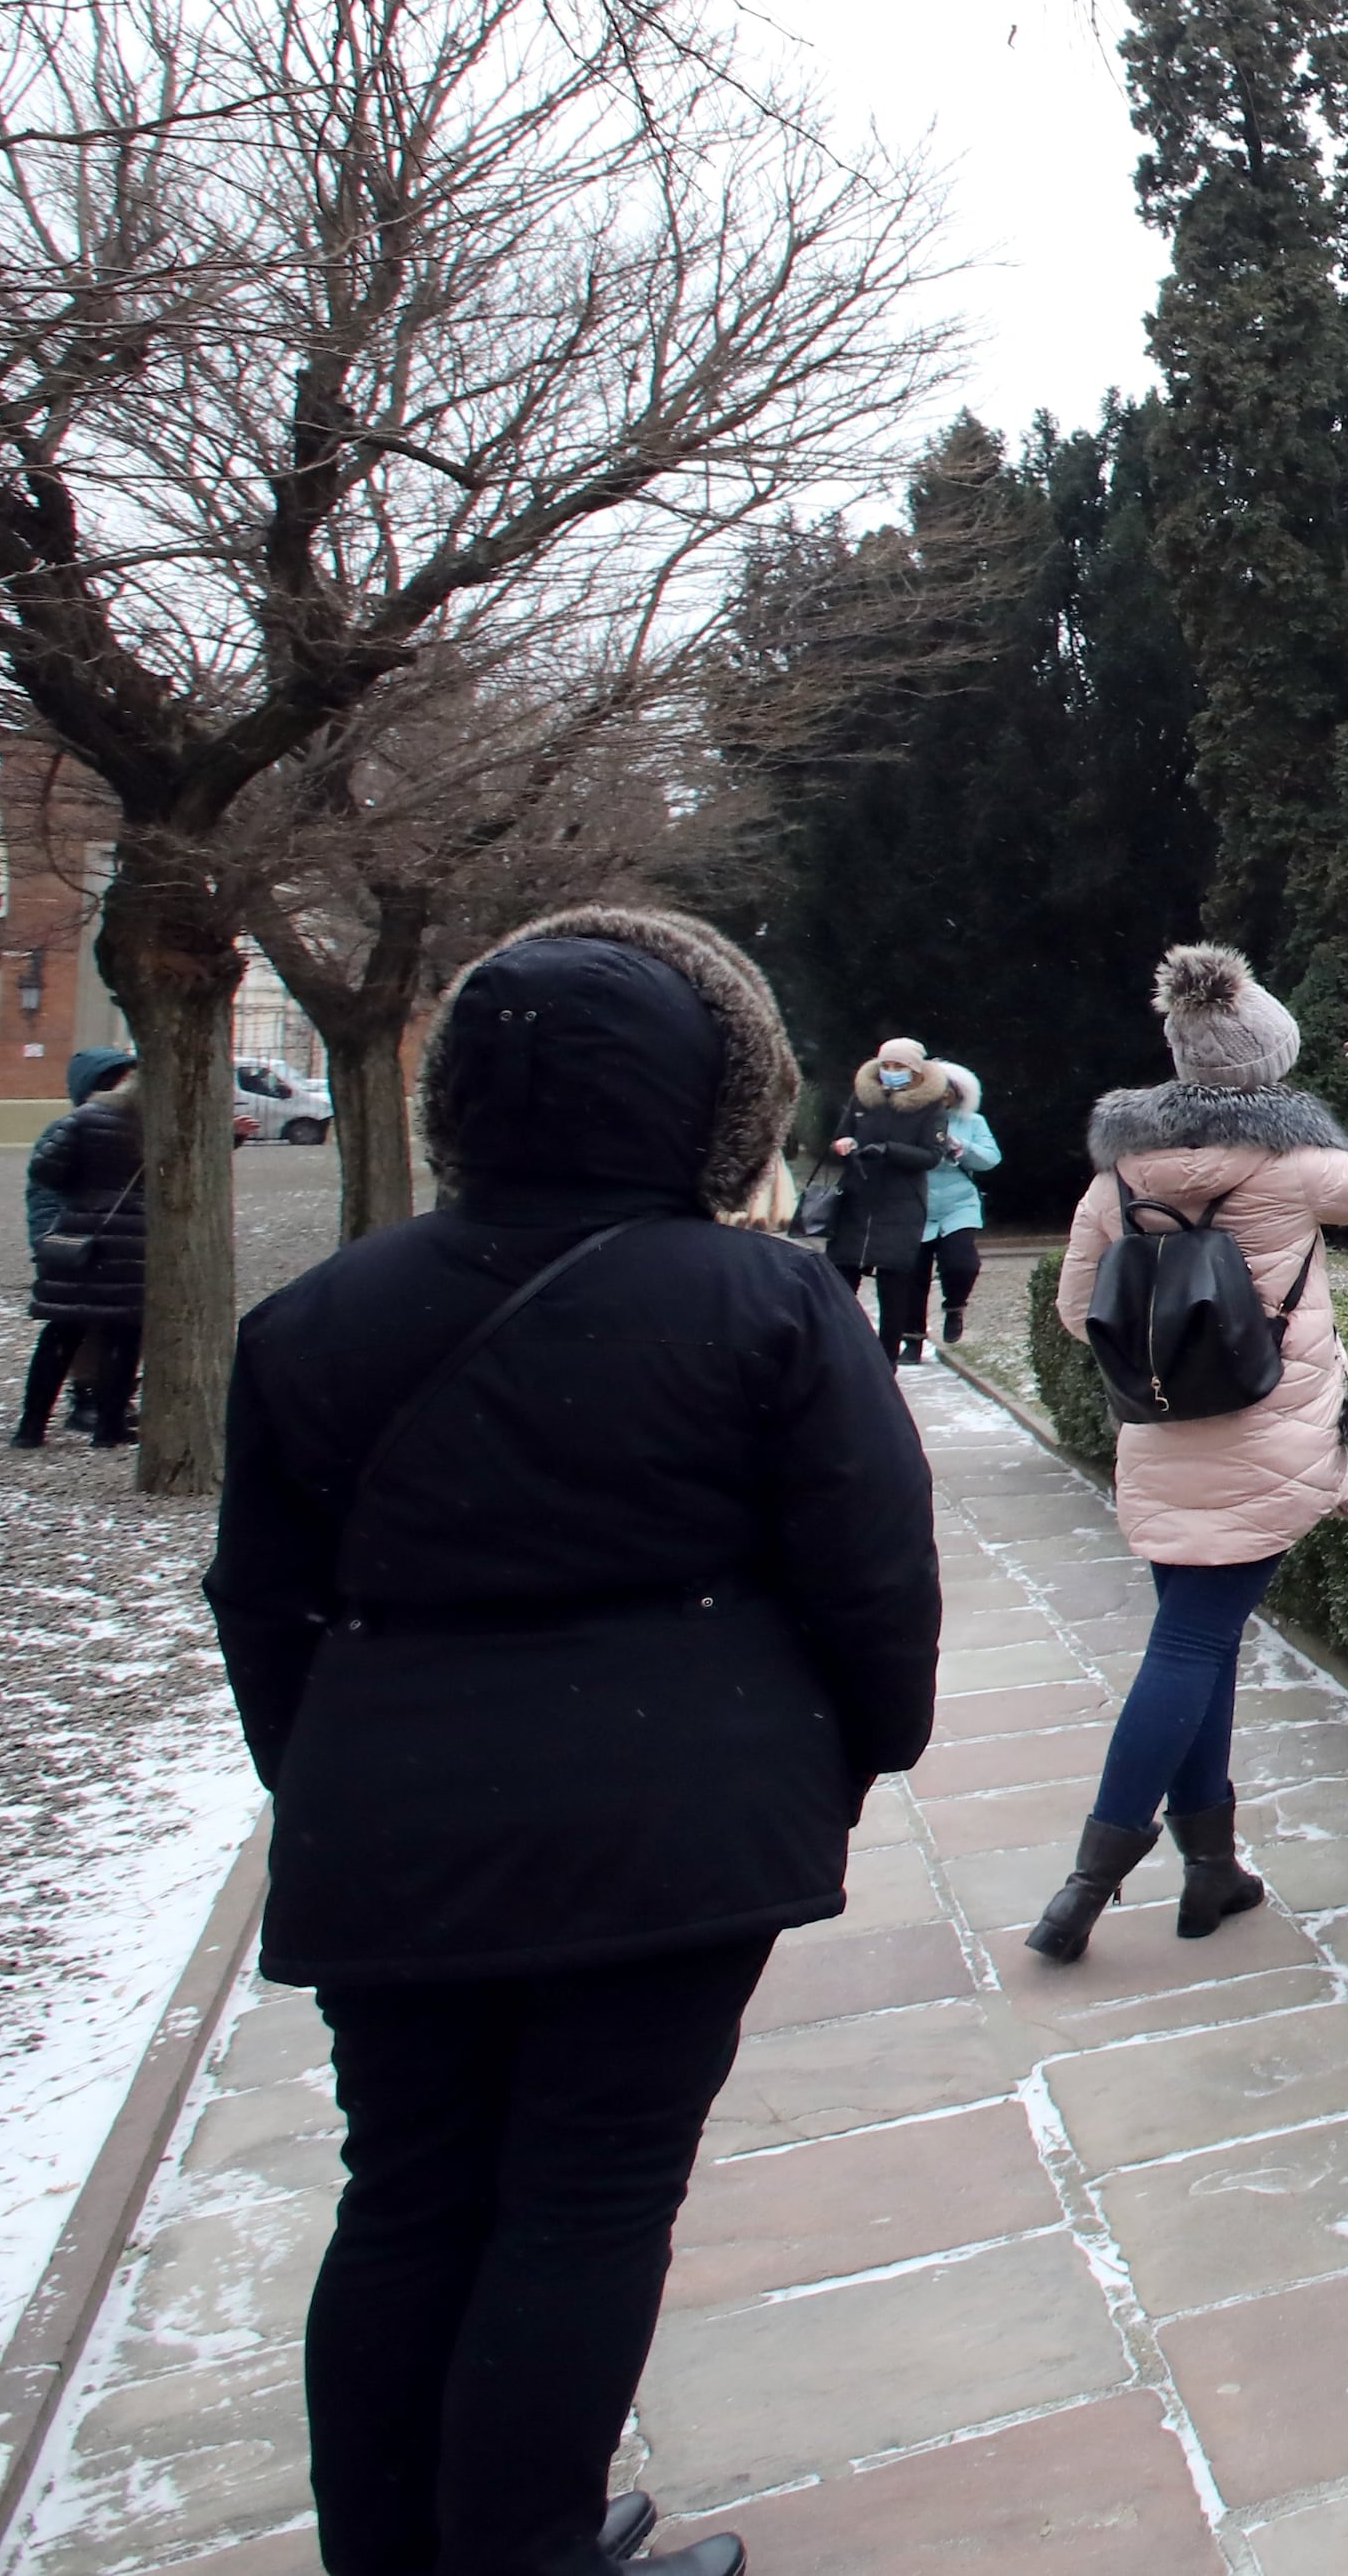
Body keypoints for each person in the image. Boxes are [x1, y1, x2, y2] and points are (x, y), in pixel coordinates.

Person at [206, 906, 939, 2576]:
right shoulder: (764, 1300)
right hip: (669, 1823)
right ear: (709, 1102)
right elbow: (873, 1571)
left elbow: (264, 1601)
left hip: (393, 1826)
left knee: (406, 2194)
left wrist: (343, 1777)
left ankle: (394, 2549)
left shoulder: (320, 1317)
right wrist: (850, 1755)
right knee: (586, 2194)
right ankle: (528, 2544)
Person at [1034, 946, 1348, 1960]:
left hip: (1167, 1427)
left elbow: (1076, 1312)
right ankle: (1087, 1881)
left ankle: (1210, 1868)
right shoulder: (1293, 1165)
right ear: (1270, 1054)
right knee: (1189, 1645)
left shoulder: (1118, 1170)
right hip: (1265, 1434)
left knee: (1200, 1637)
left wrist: (1175, 1331)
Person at [16, 1046, 144, 1448]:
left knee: (63, 1330)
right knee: (123, 1335)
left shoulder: (80, 1121)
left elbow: (45, 1172)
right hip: (134, 1240)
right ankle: (108, 1426)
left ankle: (32, 1428)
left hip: (79, 1238)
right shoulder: (152, 1124)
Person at [821, 1036, 952, 1360]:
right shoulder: (862, 1099)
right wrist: (843, 1145)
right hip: (856, 1198)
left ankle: (887, 1356)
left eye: (899, 1066)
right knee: (840, 1280)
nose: (891, 1072)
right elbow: (839, 1135)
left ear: (915, 1071)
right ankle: (837, 1349)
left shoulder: (930, 1106)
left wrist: (890, 1151)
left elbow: (931, 1155)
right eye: (886, 1066)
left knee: (894, 1285)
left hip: (901, 1203)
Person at [921, 1058, 1002, 1348]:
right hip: (917, 1203)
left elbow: (991, 1159)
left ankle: (955, 1306)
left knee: (962, 1264)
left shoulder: (972, 1122)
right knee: (912, 1274)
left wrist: (961, 1147)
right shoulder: (914, 1120)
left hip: (958, 1203)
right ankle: (912, 1336)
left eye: (948, 1089)